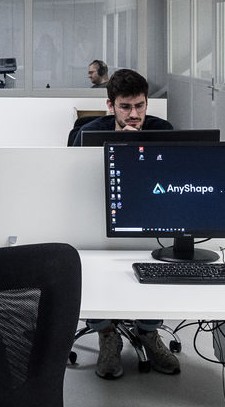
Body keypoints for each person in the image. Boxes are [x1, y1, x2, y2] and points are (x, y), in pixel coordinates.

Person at [67, 69, 180, 378]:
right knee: (91, 263)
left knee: (160, 260)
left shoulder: (163, 131)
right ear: (110, 105)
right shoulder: (88, 133)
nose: (134, 114)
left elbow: (170, 181)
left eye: (140, 106)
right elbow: (76, 182)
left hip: (148, 213)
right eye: (125, 107)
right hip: (96, 212)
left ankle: (148, 332)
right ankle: (107, 334)